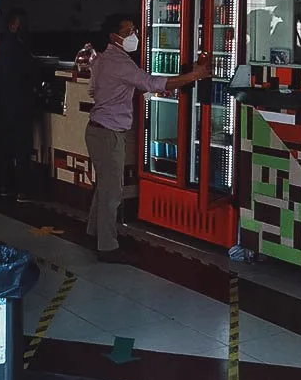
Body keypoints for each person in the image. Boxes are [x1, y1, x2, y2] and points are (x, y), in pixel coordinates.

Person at [85, 14, 211, 264]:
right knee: (112, 192)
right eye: (128, 30)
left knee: (105, 187)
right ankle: (107, 248)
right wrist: (194, 76)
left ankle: (93, 233)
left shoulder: (104, 58)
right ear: (114, 36)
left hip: (97, 129)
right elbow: (150, 82)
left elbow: (97, 89)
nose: (134, 35)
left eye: (134, 29)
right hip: (109, 133)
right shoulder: (119, 63)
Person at [0, 9, 37, 203]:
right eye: (21, 23)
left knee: (2, 150)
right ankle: (23, 190)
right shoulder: (17, 48)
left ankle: (4, 186)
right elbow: (30, 72)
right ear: (13, 25)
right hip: (18, 107)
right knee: (22, 149)